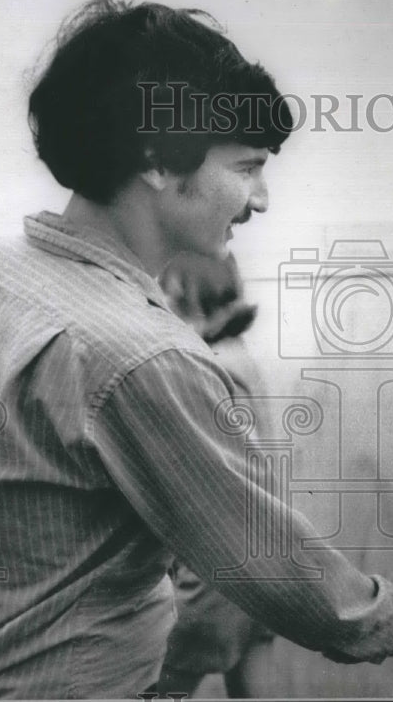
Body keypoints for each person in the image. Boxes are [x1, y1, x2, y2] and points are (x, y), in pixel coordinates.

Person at [0, 0, 393, 700]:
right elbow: (265, 563)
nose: (261, 198)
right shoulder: (139, 354)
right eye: (247, 166)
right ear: (158, 160)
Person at [156, 251, 276, 698]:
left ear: (193, 301)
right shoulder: (237, 357)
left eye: (166, 298)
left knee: (161, 684)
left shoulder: (212, 367)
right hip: (261, 568)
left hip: (219, 573)